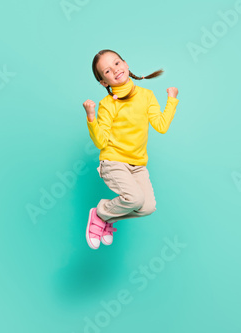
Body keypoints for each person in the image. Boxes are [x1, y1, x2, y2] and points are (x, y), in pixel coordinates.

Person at [82, 49, 179, 250]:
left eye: (117, 63)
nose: (115, 70)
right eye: (107, 71)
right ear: (104, 82)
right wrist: (91, 117)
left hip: (137, 165)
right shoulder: (107, 104)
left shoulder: (146, 95)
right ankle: (100, 213)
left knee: (148, 207)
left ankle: (106, 217)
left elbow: (161, 126)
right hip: (113, 161)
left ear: (126, 64)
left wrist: (171, 100)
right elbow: (101, 142)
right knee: (134, 198)